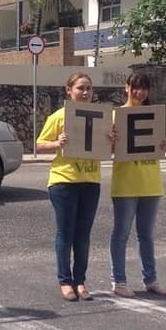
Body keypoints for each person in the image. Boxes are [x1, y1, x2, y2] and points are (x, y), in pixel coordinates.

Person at [36, 72, 102, 302]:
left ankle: (80, 281)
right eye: (80, 88)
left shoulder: (100, 117)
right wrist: (57, 143)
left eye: (88, 89)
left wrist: (112, 139)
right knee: (66, 233)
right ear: (69, 90)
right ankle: (65, 281)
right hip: (64, 181)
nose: (85, 92)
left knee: (83, 235)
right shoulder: (58, 116)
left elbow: (108, 148)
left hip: (91, 181)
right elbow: (39, 144)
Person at [109, 73, 166, 297]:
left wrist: (163, 145)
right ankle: (119, 280)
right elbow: (108, 151)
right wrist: (111, 141)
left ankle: (151, 279)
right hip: (126, 183)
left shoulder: (153, 115)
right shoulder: (116, 115)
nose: (140, 92)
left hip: (151, 181)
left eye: (144, 88)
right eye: (136, 87)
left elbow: (158, 148)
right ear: (127, 88)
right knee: (121, 233)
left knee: (147, 235)